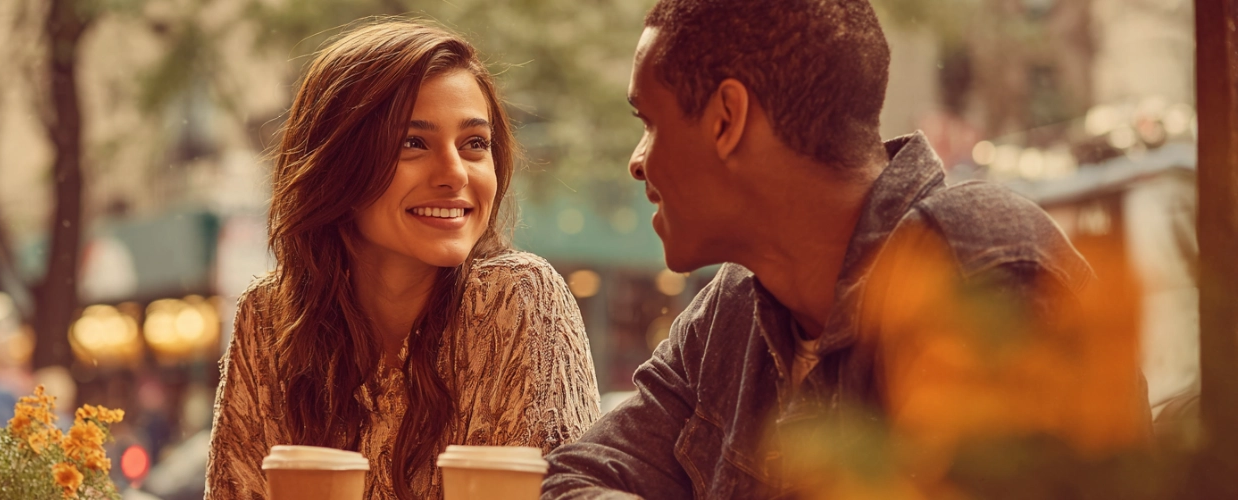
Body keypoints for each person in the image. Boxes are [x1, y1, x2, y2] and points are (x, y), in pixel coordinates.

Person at [542, 1, 1147, 498]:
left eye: (650, 121)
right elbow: (578, 477)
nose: (637, 160)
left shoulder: (979, 267)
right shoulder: (732, 305)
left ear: (727, 118)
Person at [204, 21, 601, 500]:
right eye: (413, 143)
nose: (455, 174)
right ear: (339, 163)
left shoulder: (519, 300)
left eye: (475, 144)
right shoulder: (269, 318)